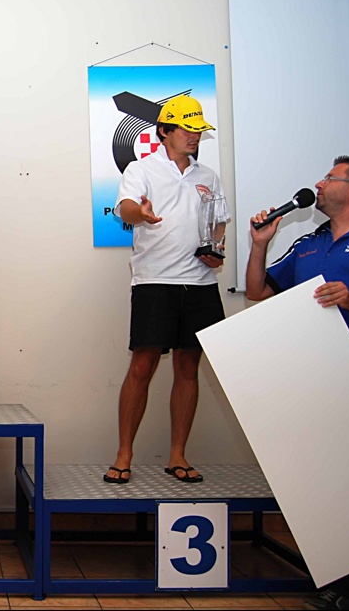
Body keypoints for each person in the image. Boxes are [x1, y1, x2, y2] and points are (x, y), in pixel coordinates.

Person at [245, 155, 349, 611]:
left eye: (330, 177)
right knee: (332, 491)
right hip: (316, 385)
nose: (319, 184)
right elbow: (258, 291)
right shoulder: (309, 242)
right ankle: (346, 591)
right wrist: (260, 245)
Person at [103, 94, 227, 485]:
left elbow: (218, 222)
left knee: (189, 368)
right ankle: (124, 455)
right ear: (164, 131)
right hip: (155, 280)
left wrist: (217, 249)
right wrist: (140, 213)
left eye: (199, 131)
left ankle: (178, 455)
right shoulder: (141, 168)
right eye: (188, 130)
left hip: (201, 283)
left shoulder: (208, 176)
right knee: (142, 367)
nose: (195, 137)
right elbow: (126, 208)